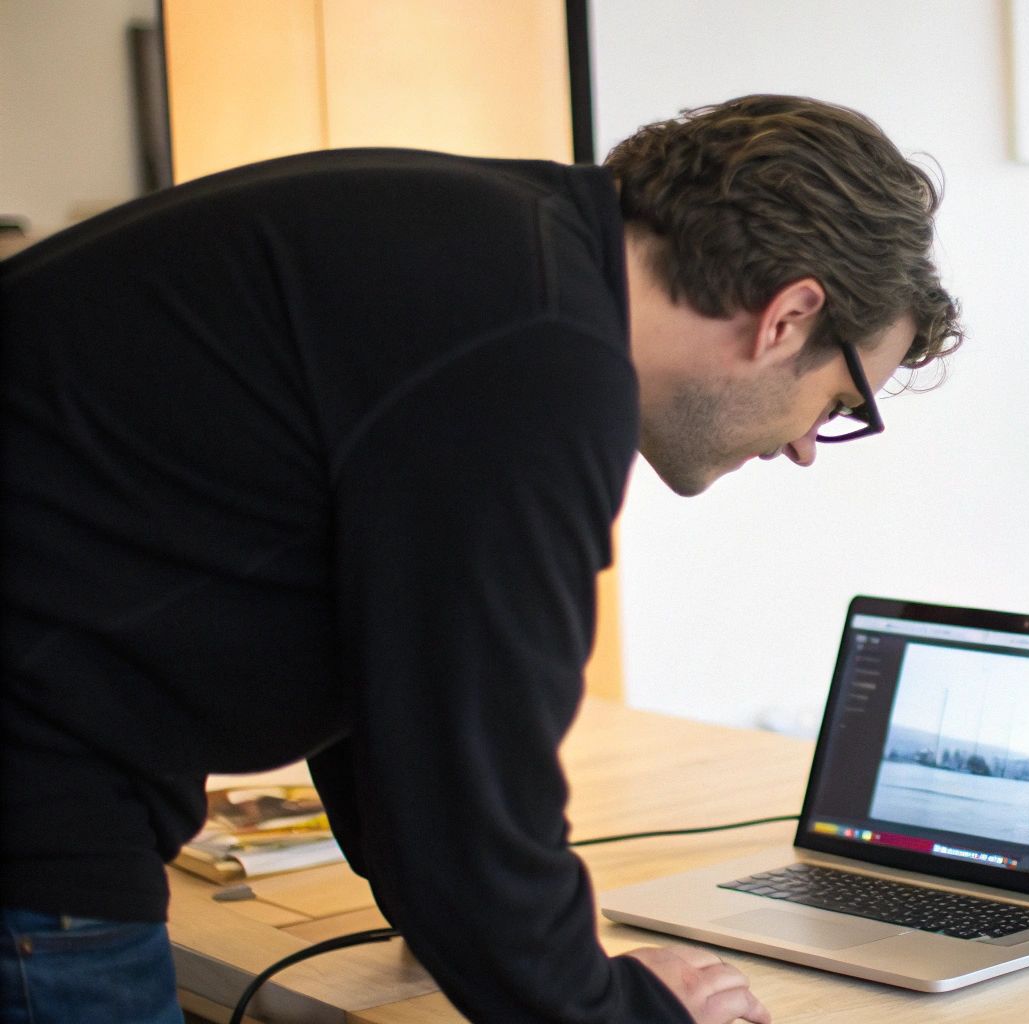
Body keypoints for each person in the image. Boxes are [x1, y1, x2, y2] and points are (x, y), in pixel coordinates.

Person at [0, 95, 961, 1023]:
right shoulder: (538, 360)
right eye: (841, 408)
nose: (803, 448)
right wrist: (617, 1007)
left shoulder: (505, 255)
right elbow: (471, 776)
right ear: (789, 315)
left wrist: (461, 919)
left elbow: (402, 685)